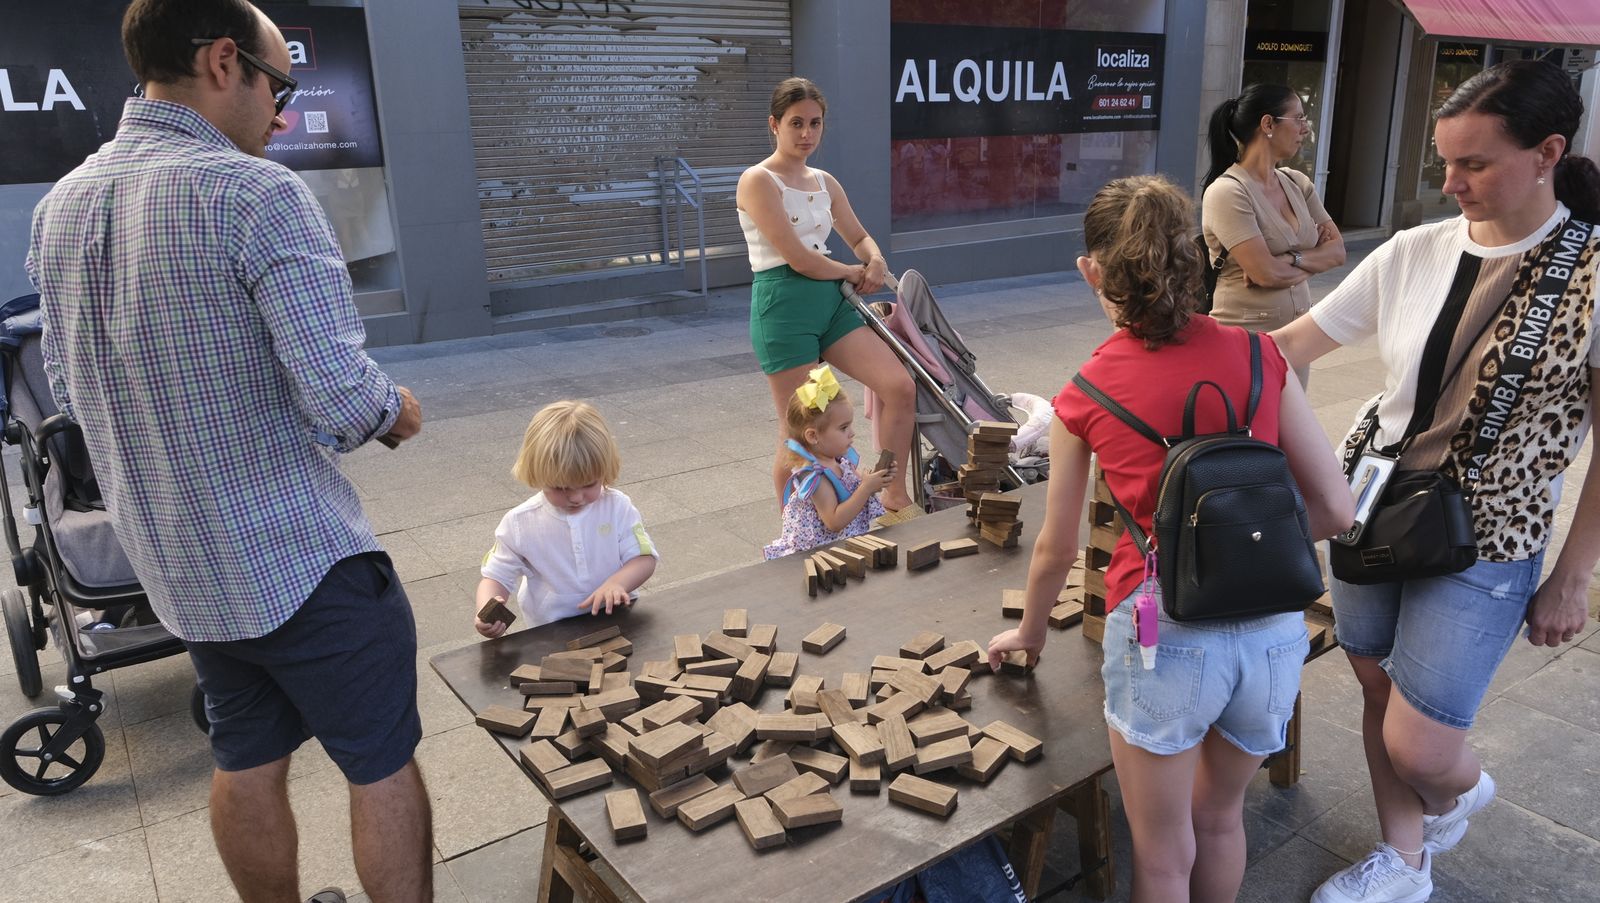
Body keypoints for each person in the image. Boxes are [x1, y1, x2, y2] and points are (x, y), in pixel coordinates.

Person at [24, 2, 428, 901]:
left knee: (246, 753)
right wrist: (395, 410)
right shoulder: (255, 194)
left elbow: (67, 382)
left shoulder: (61, 208)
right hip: (299, 560)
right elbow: (340, 397)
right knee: (380, 760)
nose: (284, 113)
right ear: (221, 63)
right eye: (279, 86)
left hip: (178, 569)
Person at [1269, 60, 1600, 903]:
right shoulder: (1416, 250)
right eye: (1443, 162)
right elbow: (1291, 346)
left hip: (1492, 535)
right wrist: (1167, 358)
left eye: (1474, 164)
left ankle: (1457, 787)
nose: (1450, 183)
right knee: (1377, 685)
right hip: (1370, 503)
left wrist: (1571, 575)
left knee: (1421, 744)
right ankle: (1405, 860)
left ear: (1547, 152)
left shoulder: (1593, 273)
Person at [987, 175, 1353, 903]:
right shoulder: (1261, 358)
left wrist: (1028, 632)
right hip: (1274, 636)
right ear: (1194, 257)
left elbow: (1058, 545)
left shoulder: (1085, 392)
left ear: (1092, 271)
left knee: (1159, 855)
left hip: (1165, 636)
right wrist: (1239, 552)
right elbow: (1336, 508)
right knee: (1219, 818)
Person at [737, 76, 917, 513]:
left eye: (815, 124)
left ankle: (893, 494)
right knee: (799, 432)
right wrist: (855, 272)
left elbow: (858, 236)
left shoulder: (824, 181)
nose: (806, 134)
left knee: (900, 387)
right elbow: (799, 259)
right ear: (774, 124)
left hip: (831, 303)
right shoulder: (757, 180)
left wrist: (873, 260)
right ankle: (794, 531)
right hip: (784, 306)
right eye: (796, 123)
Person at [1202, 85, 1346, 386]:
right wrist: (1307, 261)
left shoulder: (1297, 182)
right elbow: (1266, 274)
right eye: (1298, 118)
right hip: (1246, 339)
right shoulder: (1228, 191)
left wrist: (1290, 259)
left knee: (1286, 431)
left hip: (1296, 339)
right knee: (1250, 429)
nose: (1305, 129)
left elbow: (1337, 253)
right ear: (1268, 124)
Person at [475, 400, 658, 636]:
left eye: (589, 484)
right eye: (561, 488)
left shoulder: (617, 506)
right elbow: (494, 576)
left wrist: (617, 584)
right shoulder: (519, 523)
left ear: (604, 470)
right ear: (537, 475)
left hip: (620, 623)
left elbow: (644, 559)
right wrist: (486, 608)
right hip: (551, 631)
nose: (576, 497)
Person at [762, 365, 896, 559]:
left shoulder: (839, 460)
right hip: (821, 555)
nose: (852, 432)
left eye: (850, 425)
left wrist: (877, 480)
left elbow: (856, 492)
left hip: (842, 548)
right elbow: (833, 520)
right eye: (843, 428)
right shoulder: (816, 476)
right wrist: (866, 488)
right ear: (813, 436)